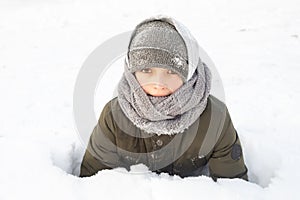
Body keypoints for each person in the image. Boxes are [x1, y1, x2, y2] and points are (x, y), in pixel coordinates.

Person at [79, 15, 248, 181]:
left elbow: (234, 187)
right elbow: (92, 182)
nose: (158, 82)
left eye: (171, 71)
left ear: (188, 73)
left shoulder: (215, 118)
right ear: (132, 72)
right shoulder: (114, 116)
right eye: (147, 70)